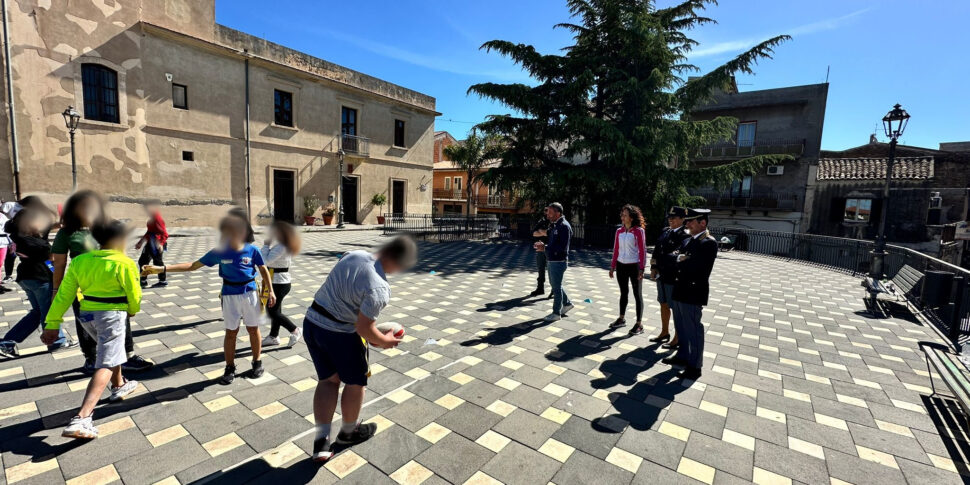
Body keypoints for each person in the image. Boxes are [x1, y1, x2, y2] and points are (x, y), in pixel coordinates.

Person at [305, 236, 416, 462]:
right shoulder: (380, 288)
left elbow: (347, 296)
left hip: (312, 323)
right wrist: (384, 341)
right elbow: (363, 328)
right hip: (340, 334)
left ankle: (321, 441)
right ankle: (348, 432)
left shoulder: (354, 255)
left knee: (328, 381)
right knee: (355, 382)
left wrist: (371, 332)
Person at [142, 213, 275, 384]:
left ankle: (257, 362)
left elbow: (263, 270)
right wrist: (162, 269)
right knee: (231, 332)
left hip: (250, 293)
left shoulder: (252, 250)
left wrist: (270, 290)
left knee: (252, 329)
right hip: (229, 295)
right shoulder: (219, 251)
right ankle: (230, 367)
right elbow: (193, 266)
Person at [42, 220, 142, 439]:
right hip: (111, 314)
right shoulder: (124, 263)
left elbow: (64, 294)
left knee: (110, 349)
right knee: (106, 360)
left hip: (86, 314)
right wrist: (133, 309)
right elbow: (134, 294)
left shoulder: (79, 261)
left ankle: (119, 385)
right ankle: (83, 417)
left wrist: (52, 322)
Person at [52, 191, 153, 373]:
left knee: (121, 320)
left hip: (112, 281)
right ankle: (91, 357)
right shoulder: (67, 232)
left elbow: (120, 253)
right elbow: (59, 264)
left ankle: (127, 356)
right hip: (83, 284)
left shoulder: (110, 226)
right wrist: (56, 290)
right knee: (86, 320)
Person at [0, 208, 75, 357]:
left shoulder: (18, 235)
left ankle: (7, 342)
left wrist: (60, 224)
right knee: (49, 311)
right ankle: (57, 341)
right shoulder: (31, 241)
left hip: (27, 277)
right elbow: (50, 257)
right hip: (39, 278)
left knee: (37, 313)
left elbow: (49, 228)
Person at [662, 208, 717, 380]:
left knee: (694, 330)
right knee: (681, 326)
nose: (687, 224)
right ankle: (683, 356)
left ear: (703, 223)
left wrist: (680, 261)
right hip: (680, 289)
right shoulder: (688, 241)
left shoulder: (708, 242)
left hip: (693, 292)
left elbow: (698, 268)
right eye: (687, 221)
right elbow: (670, 257)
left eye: (691, 221)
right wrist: (680, 259)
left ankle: (695, 366)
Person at [648, 206, 689, 345]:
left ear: (683, 219)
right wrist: (653, 266)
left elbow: (676, 256)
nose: (670, 220)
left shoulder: (686, 235)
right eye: (669, 218)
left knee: (676, 308)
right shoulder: (665, 231)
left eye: (674, 217)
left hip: (674, 276)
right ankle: (664, 332)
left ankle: (678, 337)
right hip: (662, 275)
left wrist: (662, 261)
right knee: (663, 303)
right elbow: (657, 250)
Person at [260, 220, 303, 347]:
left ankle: (295, 330)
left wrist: (266, 245)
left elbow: (265, 261)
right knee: (276, 309)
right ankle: (274, 336)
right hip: (279, 280)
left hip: (278, 282)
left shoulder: (281, 247)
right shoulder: (284, 245)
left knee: (272, 311)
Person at [609, 205, 647, 335]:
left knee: (637, 294)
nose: (622, 217)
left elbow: (642, 251)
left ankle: (639, 324)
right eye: (622, 215)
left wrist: (642, 268)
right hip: (621, 265)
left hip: (634, 266)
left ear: (631, 217)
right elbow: (616, 250)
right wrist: (612, 266)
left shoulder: (638, 231)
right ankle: (621, 318)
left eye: (624, 215)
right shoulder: (619, 231)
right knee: (623, 292)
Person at [536, 203, 574, 322]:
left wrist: (545, 248)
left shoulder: (564, 226)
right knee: (556, 285)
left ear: (558, 213)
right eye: (547, 212)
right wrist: (544, 247)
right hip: (552, 259)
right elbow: (553, 244)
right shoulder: (555, 225)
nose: (547, 215)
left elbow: (562, 247)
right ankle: (567, 304)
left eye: (550, 213)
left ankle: (556, 313)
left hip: (559, 261)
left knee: (556, 287)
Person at [135, 200, 168, 288]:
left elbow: (164, 233)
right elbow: (149, 232)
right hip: (151, 242)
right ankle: (143, 281)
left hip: (156, 244)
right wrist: (140, 242)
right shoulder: (152, 217)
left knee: (157, 262)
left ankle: (162, 281)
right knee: (142, 261)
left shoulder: (157, 218)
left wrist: (161, 243)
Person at [529, 208, 551, 297]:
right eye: (545, 213)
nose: (546, 215)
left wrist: (542, 232)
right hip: (540, 249)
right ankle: (540, 288)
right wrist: (544, 232)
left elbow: (550, 234)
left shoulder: (553, 223)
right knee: (540, 269)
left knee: (551, 270)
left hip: (550, 248)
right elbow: (534, 233)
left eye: (548, 213)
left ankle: (554, 289)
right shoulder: (541, 221)